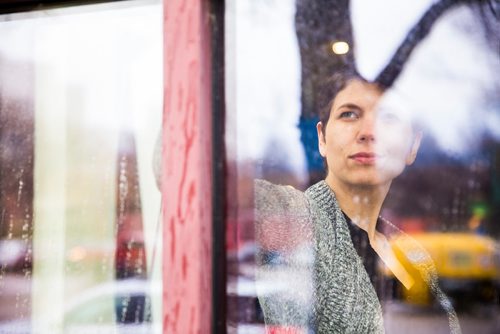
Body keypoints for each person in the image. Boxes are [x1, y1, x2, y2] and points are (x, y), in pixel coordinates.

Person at [254, 69, 460, 333]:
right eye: (349, 114)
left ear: (412, 147)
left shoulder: (407, 253)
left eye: (388, 118)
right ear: (322, 139)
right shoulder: (298, 216)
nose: (368, 132)